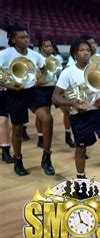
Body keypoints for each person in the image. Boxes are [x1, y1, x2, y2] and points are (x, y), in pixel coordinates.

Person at [52, 38, 100, 193]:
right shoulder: (68, 72)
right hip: (79, 116)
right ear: (75, 53)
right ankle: (81, 181)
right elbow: (55, 97)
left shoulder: (96, 68)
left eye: (88, 50)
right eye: (82, 50)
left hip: (98, 113)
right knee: (81, 149)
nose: (85, 53)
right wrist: (74, 104)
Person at [0, 25, 55, 176]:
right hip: (13, 93)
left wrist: (42, 78)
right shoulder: (5, 54)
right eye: (22, 37)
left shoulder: (33, 54)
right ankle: (18, 160)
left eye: (27, 37)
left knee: (48, 118)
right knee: (17, 129)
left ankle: (47, 157)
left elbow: (43, 67)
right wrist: (7, 84)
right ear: (13, 39)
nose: (26, 39)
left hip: (31, 91)